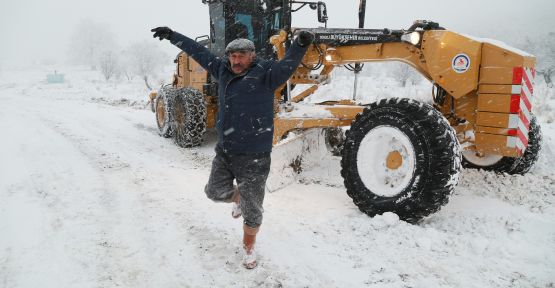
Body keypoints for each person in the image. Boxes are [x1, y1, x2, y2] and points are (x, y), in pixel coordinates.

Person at [151, 26, 314, 269]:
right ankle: (238, 196)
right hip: (226, 150)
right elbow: (197, 51)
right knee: (214, 192)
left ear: (251, 56)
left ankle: (249, 248)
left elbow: (288, 64)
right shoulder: (222, 70)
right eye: (232, 56)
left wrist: (299, 44)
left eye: (241, 56)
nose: (235, 61)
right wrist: (173, 36)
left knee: (253, 209)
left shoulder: (267, 74)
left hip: (255, 154)